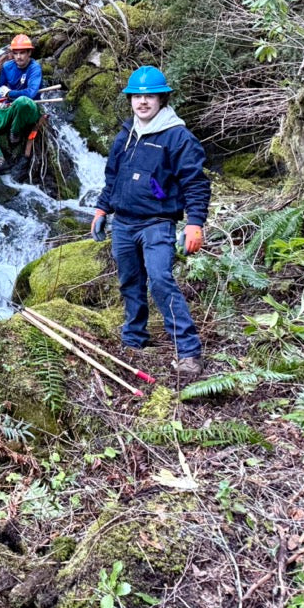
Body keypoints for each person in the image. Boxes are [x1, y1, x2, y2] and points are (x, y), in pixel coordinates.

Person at [90, 67, 210, 377]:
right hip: (124, 224)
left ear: (161, 98)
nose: (143, 102)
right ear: (130, 100)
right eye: (138, 96)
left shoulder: (178, 136)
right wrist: (102, 210)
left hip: (157, 222)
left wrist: (195, 223)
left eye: (150, 96)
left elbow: (195, 183)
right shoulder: (125, 135)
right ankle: (134, 340)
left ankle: (188, 352)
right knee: (130, 282)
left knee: (160, 280)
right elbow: (112, 178)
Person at [0, 33, 43, 176]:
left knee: (22, 101)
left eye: (22, 53)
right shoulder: (7, 67)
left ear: (29, 53)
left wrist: (10, 94)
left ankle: (16, 131)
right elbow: (0, 88)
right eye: (16, 53)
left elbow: (31, 93)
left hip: (29, 109)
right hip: (10, 108)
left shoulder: (35, 68)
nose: (19, 57)